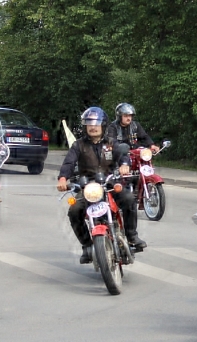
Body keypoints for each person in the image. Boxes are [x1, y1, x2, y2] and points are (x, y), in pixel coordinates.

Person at [57, 106, 147, 264]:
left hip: (110, 182)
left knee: (128, 199)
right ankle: (86, 246)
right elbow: (69, 162)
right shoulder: (78, 145)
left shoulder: (112, 143)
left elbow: (123, 156)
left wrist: (124, 165)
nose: (93, 126)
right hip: (89, 187)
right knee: (74, 211)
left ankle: (132, 235)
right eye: (89, 123)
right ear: (85, 126)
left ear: (103, 125)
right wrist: (63, 178)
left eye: (96, 123)